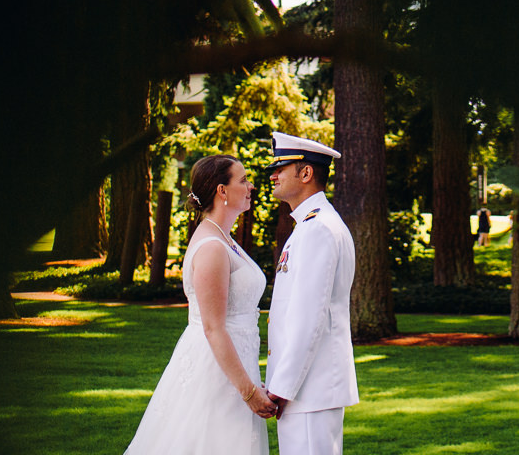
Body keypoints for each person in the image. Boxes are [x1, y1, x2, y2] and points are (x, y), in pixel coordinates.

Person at [120, 155, 277, 454]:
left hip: (236, 364)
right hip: (217, 374)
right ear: (222, 191)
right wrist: (248, 392)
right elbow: (213, 328)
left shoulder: (225, 239)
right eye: (242, 180)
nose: (251, 186)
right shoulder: (212, 248)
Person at [264, 132, 358, 455]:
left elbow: (308, 318)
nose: (272, 175)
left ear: (306, 173)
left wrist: (281, 387)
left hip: (308, 389)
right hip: (308, 388)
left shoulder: (317, 229)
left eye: (281, 167)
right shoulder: (310, 225)